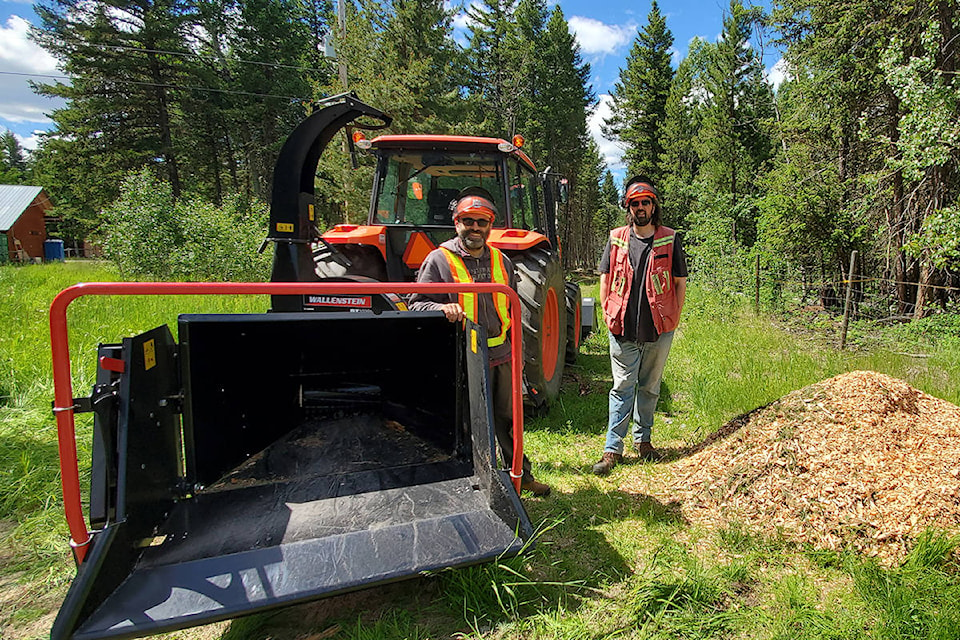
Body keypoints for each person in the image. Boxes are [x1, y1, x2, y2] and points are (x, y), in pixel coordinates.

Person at [409, 187, 551, 497]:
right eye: (468, 221)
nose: (475, 228)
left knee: (509, 420)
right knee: (467, 425)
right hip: (463, 359)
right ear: (456, 222)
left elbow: (512, 307)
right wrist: (440, 308)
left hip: (501, 354)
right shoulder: (438, 260)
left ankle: (520, 476)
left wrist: (518, 354)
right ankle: (470, 482)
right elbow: (416, 302)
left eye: (481, 222)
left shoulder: (502, 260)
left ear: (490, 225)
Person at [592, 176, 688, 476]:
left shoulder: (670, 239)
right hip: (622, 327)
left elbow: (679, 282)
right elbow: (605, 277)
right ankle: (612, 449)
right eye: (635, 203)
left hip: (659, 329)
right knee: (622, 387)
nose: (641, 207)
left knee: (649, 387)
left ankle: (644, 441)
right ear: (628, 207)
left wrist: (674, 315)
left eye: (646, 202)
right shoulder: (617, 237)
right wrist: (607, 311)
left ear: (653, 205)